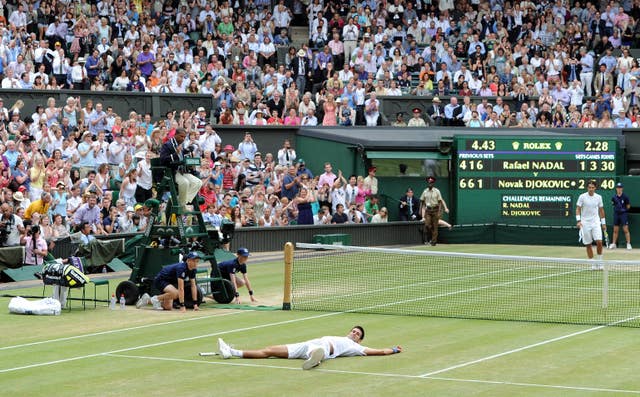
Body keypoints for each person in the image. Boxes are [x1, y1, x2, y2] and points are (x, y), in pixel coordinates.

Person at [217, 325, 402, 370]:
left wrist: (393, 349)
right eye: (353, 331)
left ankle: (316, 358)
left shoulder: (356, 347)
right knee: (269, 350)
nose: (354, 334)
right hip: (306, 345)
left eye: (357, 334)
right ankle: (231, 352)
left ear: (359, 341)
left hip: (324, 348)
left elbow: (378, 351)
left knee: (320, 348)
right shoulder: (341, 336)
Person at [136, 251, 201, 312]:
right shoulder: (181, 268)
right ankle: (156, 299)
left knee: (168, 307)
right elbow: (181, 288)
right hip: (161, 280)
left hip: (170, 283)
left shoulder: (193, 269)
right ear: (188, 261)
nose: (196, 263)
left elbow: (193, 286)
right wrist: (182, 305)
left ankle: (148, 300)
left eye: (197, 261)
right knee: (176, 294)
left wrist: (195, 304)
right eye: (194, 261)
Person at [159, 127, 203, 209]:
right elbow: (163, 160)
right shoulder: (167, 145)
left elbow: (182, 157)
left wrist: (187, 152)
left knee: (198, 182)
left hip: (182, 171)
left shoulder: (180, 145)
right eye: (181, 136)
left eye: (184, 137)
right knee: (185, 183)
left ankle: (182, 202)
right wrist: (176, 154)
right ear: (175, 135)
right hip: (171, 172)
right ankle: (182, 204)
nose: (183, 138)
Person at [576, 180, 606, 270]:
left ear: (595, 188)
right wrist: (578, 221)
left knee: (599, 242)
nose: (591, 189)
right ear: (587, 188)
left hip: (596, 222)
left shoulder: (599, 197)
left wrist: (603, 223)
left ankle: (600, 262)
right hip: (585, 223)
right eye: (589, 187)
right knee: (588, 244)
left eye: (593, 187)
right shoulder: (582, 197)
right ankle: (592, 263)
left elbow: (601, 210)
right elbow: (578, 209)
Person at [420, 176, 449, 246]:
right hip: (428, 210)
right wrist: (420, 210)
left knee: (435, 226)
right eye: (429, 182)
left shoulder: (437, 191)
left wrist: (440, 211)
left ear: (433, 183)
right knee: (427, 225)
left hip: (435, 210)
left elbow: (440, 201)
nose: (430, 183)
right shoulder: (425, 191)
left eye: (431, 182)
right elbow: (422, 201)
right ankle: (432, 237)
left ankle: (433, 242)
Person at [610, 182, 632, 250]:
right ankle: (614, 244)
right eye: (618, 188)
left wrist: (623, 210)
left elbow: (628, 206)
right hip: (616, 214)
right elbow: (613, 205)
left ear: (622, 189)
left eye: (620, 188)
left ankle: (628, 244)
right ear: (616, 189)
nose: (619, 189)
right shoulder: (613, 197)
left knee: (625, 229)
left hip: (623, 214)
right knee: (615, 230)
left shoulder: (625, 197)